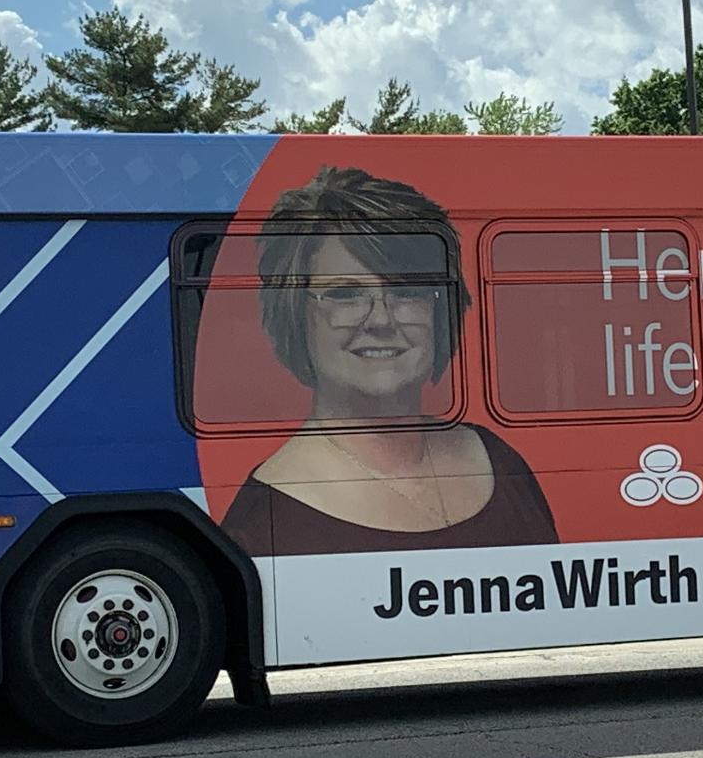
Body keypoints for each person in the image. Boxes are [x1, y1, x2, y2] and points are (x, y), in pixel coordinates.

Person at [219, 166, 557, 557]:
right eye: (345, 294)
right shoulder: (262, 525)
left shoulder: (503, 464)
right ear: (295, 314)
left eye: (407, 290)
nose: (381, 319)